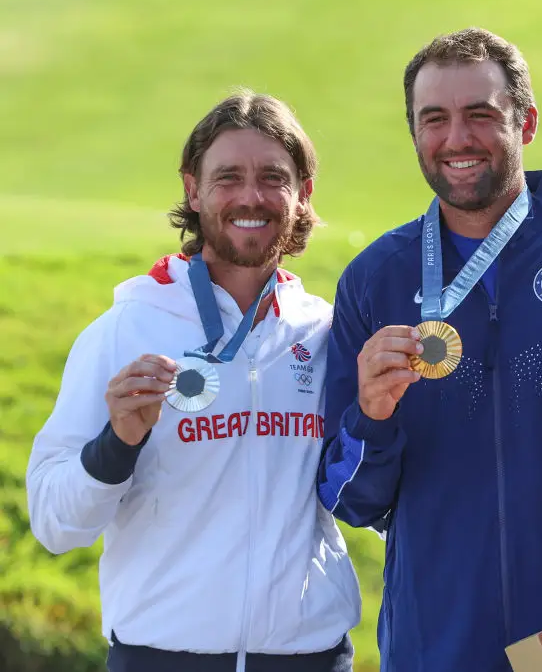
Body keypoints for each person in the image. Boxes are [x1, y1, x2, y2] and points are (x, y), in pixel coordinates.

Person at [317, 28, 542, 672]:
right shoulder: (377, 280)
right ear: (414, 134)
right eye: (435, 119)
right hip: (436, 649)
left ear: (527, 121)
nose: (456, 139)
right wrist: (370, 418)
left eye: (480, 115)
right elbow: (351, 499)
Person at [26, 90, 361, 672]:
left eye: (273, 177)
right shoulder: (126, 328)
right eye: (228, 176)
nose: (251, 197)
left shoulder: (325, 332)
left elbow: (373, 495)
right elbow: (55, 524)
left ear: (303, 192)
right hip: (161, 655)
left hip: (308, 656)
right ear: (192, 188)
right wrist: (117, 444)